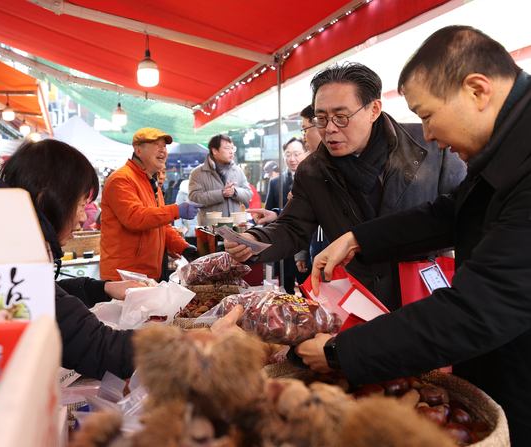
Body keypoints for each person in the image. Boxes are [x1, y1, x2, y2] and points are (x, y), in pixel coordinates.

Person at [297, 26, 531, 445]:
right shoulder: (506, 151)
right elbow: (449, 212)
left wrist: (340, 352)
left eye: (427, 115)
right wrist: (357, 238)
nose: (429, 137)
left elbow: (478, 308)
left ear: (477, 91)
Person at [224, 61, 466, 312]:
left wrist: (365, 241)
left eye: (341, 117)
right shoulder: (313, 169)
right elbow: (293, 228)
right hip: (357, 300)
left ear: (374, 109)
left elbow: (460, 218)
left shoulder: (431, 147)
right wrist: (254, 240)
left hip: (427, 298)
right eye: (321, 119)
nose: (330, 129)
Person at [0, 139, 145, 380]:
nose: (83, 218)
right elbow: (101, 349)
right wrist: (176, 343)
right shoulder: (4, 253)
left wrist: (103, 288)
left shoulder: (0, 234)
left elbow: (47, 294)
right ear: (46, 200)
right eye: (81, 204)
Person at [100, 127, 200, 281]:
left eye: (164, 146)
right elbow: (135, 218)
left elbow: (160, 224)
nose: (163, 150)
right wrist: (176, 210)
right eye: (156, 145)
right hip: (124, 275)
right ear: (138, 151)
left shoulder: (151, 182)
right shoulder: (121, 179)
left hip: (148, 274)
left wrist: (183, 247)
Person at [262, 137, 310, 294]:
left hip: (305, 245)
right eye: (288, 155)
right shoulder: (275, 182)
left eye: (296, 154)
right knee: (284, 292)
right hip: (283, 246)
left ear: (306, 153)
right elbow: (269, 214)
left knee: (307, 291)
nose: (292, 159)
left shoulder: (312, 180)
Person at [189, 134, 253, 226]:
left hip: (235, 228)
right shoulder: (197, 173)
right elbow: (194, 198)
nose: (231, 152)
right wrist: (221, 194)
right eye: (227, 148)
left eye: (232, 148)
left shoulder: (237, 170)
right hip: (211, 228)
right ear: (214, 151)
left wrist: (235, 192)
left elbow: (249, 193)